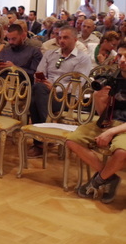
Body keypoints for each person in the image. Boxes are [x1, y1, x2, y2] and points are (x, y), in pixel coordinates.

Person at [66, 41, 126, 203]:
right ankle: (109, 177)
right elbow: (103, 113)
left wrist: (111, 132)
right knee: (72, 140)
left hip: (122, 128)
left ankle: (97, 181)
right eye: (120, 55)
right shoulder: (114, 77)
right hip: (109, 121)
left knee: (122, 152)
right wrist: (98, 98)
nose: (122, 60)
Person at [27, 26, 92, 158]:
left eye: (65, 37)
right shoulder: (49, 54)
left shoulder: (82, 58)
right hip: (45, 92)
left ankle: (40, 142)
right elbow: (39, 72)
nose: (61, 40)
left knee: (35, 99)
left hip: (68, 97)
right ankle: (48, 133)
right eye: (60, 37)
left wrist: (55, 87)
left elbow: (77, 84)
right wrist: (41, 80)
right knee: (37, 90)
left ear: (75, 39)